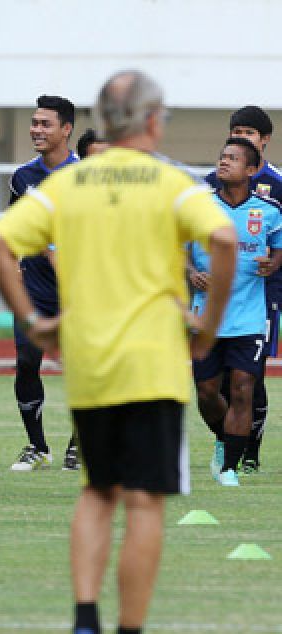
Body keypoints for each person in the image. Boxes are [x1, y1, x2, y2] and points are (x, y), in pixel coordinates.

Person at [0, 69, 236, 634]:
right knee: (145, 502)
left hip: (92, 364)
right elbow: (223, 239)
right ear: (151, 119)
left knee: (97, 492)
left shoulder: (68, 185)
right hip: (155, 364)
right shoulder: (171, 183)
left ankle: (84, 618)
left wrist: (32, 321)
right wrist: (210, 326)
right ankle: (130, 628)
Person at [191, 137, 282, 487]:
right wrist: (190, 274)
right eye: (222, 156)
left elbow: (277, 249)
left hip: (249, 316)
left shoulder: (269, 210)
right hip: (207, 316)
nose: (224, 162)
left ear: (251, 169)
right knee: (207, 393)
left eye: (233, 158)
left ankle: (230, 467)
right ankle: (223, 437)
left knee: (243, 388)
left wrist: (271, 265)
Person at [7, 95, 79, 472]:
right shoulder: (23, 177)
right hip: (33, 289)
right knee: (26, 362)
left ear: (66, 129)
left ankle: (78, 443)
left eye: (45, 124)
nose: (36, 130)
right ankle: (36, 446)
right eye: (34, 123)